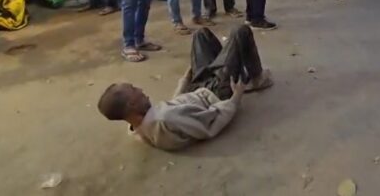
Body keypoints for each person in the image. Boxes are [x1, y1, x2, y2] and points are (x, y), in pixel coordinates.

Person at [96, 25, 273, 151]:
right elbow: (210, 125)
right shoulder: (164, 120)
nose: (141, 90)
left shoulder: (139, 126)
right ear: (132, 105)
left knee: (201, 35)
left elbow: (174, 105)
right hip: (216, 93)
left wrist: (185, 79)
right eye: (135, 91)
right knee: (240, 32)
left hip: (196, 89)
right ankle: (256, 78)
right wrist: (235, 98)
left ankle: (229, 65)